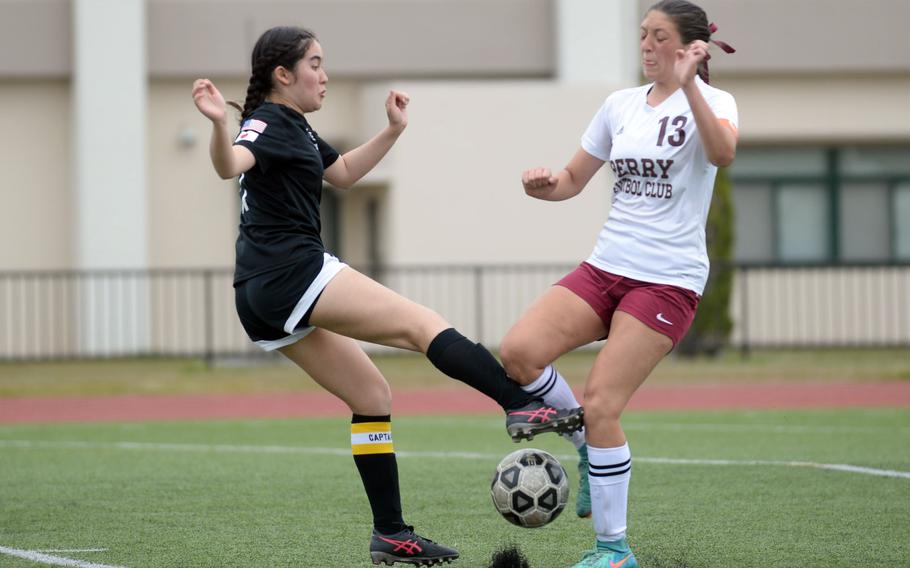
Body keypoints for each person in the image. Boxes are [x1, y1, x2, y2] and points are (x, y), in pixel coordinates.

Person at [191, 26, 583, 566]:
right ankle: (520, 404)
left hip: (259, 292)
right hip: (292, 271)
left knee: (372, 397)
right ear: (283, 75)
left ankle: (391, 534)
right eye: (315, 64)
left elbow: (345, 173)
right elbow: (228, 164)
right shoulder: (269, 121)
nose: (324, 75)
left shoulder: (296, 127)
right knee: (423, 326)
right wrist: (217, 124)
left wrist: (392, 131)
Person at [498, 2, 738, 566]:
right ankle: (585, 447)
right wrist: (544, 184)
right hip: (607, 266)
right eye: (643, 35)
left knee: (603, 403)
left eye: (660, 37)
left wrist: (691, 87)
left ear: (690, 49)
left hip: (667, 280)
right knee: (519, 352)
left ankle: (614, 551)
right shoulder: (620, 105)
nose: (647, 45)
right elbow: (572, 180)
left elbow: (723, 153)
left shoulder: (716, 103)